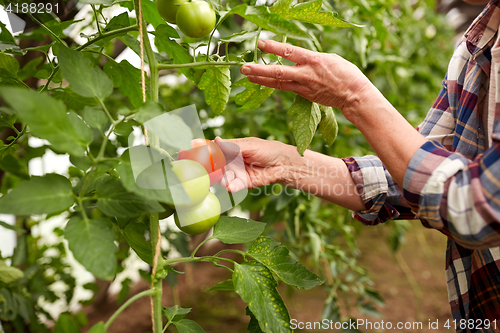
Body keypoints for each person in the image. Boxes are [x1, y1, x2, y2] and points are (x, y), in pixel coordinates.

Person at [214, 0, 500, 330]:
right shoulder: (478, 42)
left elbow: (479, 205)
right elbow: (419, 173)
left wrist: (354, 96)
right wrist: (287, 162)